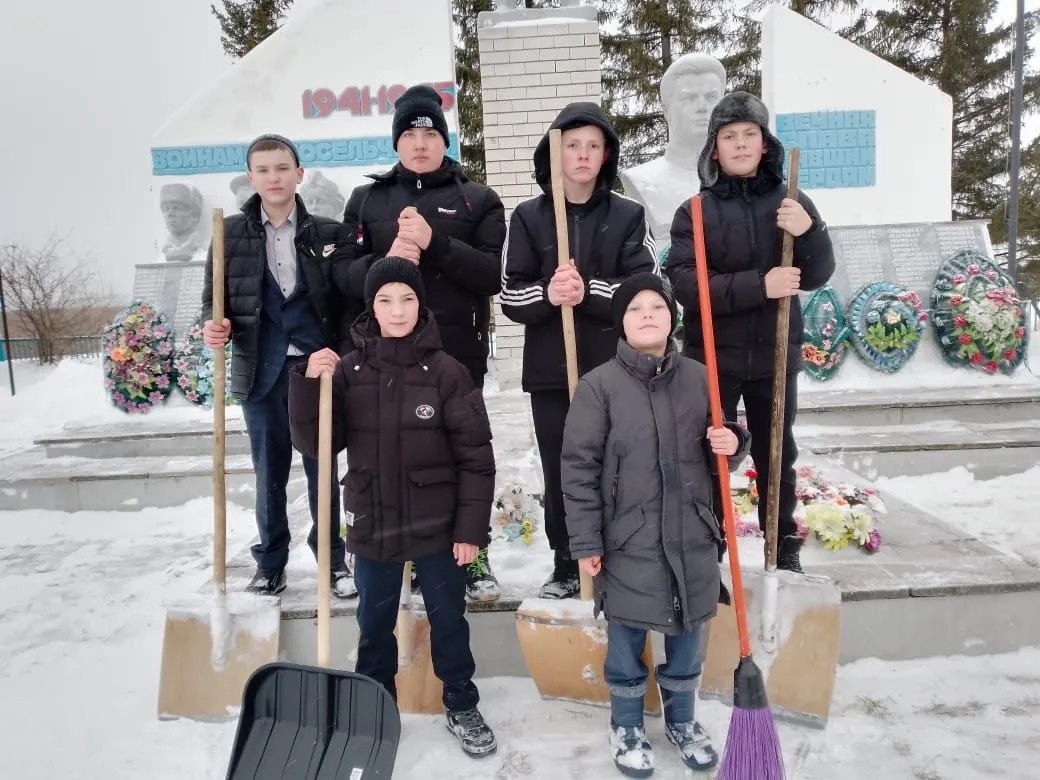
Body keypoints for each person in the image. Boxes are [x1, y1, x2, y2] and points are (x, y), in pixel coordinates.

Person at [288, 257, 498, 758]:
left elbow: (477, 457)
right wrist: (307, 385)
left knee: (449, 618)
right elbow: (319, 445)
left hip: (438, 524)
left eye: (406, 298)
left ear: (420, 304)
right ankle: (374, 704)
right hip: (373, 518)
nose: (397, 309)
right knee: (373, 620)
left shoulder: (448, 373)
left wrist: (470, 529)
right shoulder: (349, 370)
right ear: (371, 307)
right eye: (385, 299)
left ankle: (461, 701)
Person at [561, 272, 750, 777]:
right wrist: (585, 540)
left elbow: (722, 439)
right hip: (628, 541)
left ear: (672, 317)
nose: (647, 315)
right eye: (635, 308)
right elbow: (578, 468)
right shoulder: (598, 387)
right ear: (621, 323)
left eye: (657, 307)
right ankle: (626, 723)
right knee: (625, 640)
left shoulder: (698, 377)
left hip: (691, 535)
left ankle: (682, 720)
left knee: (690, 634)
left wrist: (733, 442)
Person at [337, 83, 507, 602]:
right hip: (381, 363)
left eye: (430, 132)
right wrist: (387, 259)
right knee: (393, 457)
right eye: (410, 133)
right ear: (396, 142)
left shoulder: (477, 198)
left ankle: (472, 553)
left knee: (463, 457)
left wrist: (436, 243)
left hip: (455, 357)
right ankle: (402, 556)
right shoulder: (367, 200)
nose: (420, 142)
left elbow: (491, 275)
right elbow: (342, 275)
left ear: (444, 141)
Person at [664, 91, 836, 573]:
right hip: (712, 356)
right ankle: (709, 544)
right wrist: (761, 285)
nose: (740, 144)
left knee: (776, 449)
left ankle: (780, 545)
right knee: (710, 450)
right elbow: (687, 285)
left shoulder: (791, 202)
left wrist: (809, 230)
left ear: (765, 145)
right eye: (729, 136)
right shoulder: (694, 211)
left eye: (749, 135)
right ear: (713, 150)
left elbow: (819, 271)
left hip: (774, 354)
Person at [499, 101, 657, 599]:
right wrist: (549, 294)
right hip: (551, 372)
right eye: (572, 146)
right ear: (554, 153)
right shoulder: (528, 218)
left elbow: (646, 287)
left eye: (593, 146)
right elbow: (509, 293)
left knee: (619, 463)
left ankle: (621, 553)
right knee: (563, 464)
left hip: (617, 369)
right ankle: (567, 561)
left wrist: (588, 291)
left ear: (606, 154)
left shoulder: (628, 215)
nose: (582, 155)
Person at [201, 133, 354, 598]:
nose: (273, 177)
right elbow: (214, 303)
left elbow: (345, 306)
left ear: (299, 174)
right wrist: (214, 326)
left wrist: (340, 356)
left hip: (315, 371)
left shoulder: (328, 233)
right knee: (268, 471)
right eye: (263, 169)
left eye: (282, 168)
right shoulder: (227, 234)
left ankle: (331, 560)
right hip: (259, 371)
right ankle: (270, 561)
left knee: (321, 470)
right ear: (251, 178)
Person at [619, 54, 726, 252]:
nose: (702, 107)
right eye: (689, 98)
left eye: (711, 97)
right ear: (666, 109)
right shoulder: (641, 180)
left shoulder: (739, 178)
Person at [159, 182, 208, 262]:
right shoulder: (160, 259)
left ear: (194, 216)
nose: (170, 214)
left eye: (176, 208)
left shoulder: (205, 257)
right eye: (166, 209)